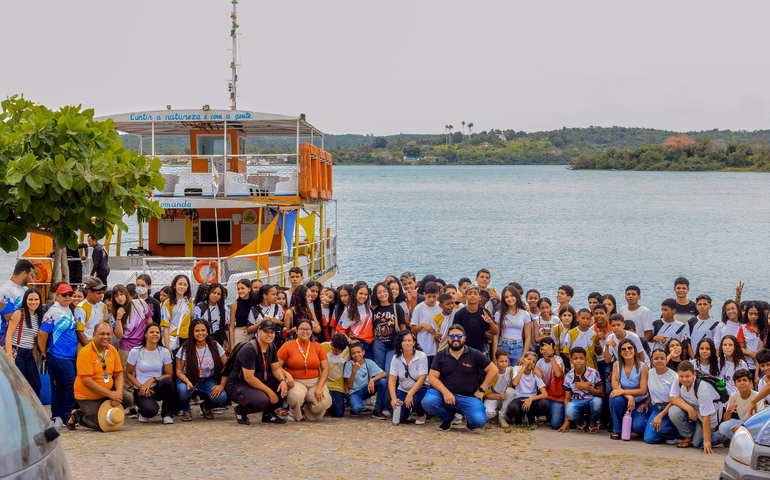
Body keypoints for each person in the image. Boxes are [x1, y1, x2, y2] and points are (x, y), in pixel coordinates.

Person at [422, 324, 498, 431]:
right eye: (452, 336)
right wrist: (446, 392)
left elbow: (493, 369)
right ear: (448, 338)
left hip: (469, 397)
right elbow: (432, 378)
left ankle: (469, 419)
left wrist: (482, 390)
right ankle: (448, 418)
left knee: (479, 421)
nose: (455, 339)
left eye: (459, 336)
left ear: (464, 337)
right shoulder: (440, 355)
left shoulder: (475, 354)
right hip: (445, 396)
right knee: (428, 402)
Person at [225, 320, 289, 425]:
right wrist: (269, 392)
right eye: (266, 332)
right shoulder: (249, 349)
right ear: (259, 332)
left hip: (257, 380)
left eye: (271, 332)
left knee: (282, 384)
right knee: (262, 401)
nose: (269, 335)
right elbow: (249, 378)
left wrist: (283, 380)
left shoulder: (271, 346)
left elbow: (276, 368)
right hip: (238, 385)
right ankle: (241, 410)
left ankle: (268, 414)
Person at [68, 322, 129, 430]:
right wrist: (111, 394)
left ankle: (103, 409)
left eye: (108, 334)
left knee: (128, 398)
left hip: (107, 393)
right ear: (93, 335)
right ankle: (77, 415)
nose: (106, 337)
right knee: (102, 425)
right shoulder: (85, 352)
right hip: (88, 397)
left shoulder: (113, 350)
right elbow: (86, 381)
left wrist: (118, 394)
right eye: (102, 334)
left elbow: (118, 374)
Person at [278, 318, 332, 421]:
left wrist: (320, 386)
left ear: (311, 331)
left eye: (308, 329)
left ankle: (307, 412)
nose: (305, 331)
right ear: (296, 330)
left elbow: (325, 369)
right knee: (296, 396)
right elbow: (276, 365)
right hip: (295, 381)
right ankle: (294, 413)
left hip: (314, 381)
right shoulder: (287, 346)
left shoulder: (318, 346)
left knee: (325, 402)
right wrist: (287, 375)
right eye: (302, 329)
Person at [38, 284, 78, 422]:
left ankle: (57, 415)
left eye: (70, 295)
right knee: (71, 383)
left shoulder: (68, 309)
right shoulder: (53, 311)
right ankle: (68, 415)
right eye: (64, 295)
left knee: (59, 385)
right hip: (58, 355)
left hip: (70, 355)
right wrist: (43, 352)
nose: (68, 297)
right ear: (57, 296)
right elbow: (43, 333)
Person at [175, 319, 229, 421]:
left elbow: (227, 366)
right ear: (192, 332)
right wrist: (187, 381)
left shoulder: (215, 346)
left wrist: (221, 385)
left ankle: (206, 407)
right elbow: (179, 371)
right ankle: (186, 410)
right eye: (197, 331)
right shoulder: (185, 348)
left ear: (207, 331)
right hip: (189, 380)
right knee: (182, 390)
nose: (200, 333)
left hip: (208, 380)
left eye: (203, 330)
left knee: (221, 397)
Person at [669, 361, 727, 453]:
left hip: (709, 416)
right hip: (695, 410)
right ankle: (689, 436)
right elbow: (673, 398)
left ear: (694, 374)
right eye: (681, 376)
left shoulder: (703, 388)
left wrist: (707, 442)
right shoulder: (678, 380)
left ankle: (725, 434)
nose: (684, 379)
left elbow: (706, 416)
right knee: (673, 411)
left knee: (698, 443)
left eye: (687, 376)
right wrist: (689, 409)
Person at [125, 323, 175, 424]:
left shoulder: (164, 351)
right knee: (151, 411)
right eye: (151, 332)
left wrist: (152, 379)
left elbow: (170, 374)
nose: (155, 334)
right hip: (142, 390)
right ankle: (142, 411)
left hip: (158, 387)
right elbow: (129, 373)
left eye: (157, 332)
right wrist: (140, 386)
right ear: (145, 334)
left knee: (168, 382)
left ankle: (167, 414)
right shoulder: (136, 351)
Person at [112, 284, 152, 413]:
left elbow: (149, 322)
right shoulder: (116, 311)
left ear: (127, 294)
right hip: (125, 347)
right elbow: (118, 335)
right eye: (116, 296)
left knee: (142, 373)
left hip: (141, 345)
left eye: (122, 294)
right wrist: (118, 317)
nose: (120, 298)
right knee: (126, 377)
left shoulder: (140, 304)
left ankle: (144, 401)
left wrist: (150, 341)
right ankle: (130, 405)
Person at [4, 288, 43, 397]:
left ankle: (29, 410)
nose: (33, 302)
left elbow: (34, 340)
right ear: (25, 300)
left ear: (40, 301)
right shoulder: (19, 313)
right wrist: (10, 356)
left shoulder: (38, 316)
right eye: (30, 299)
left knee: (36, 385)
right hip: (17, 352)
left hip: (29, 353)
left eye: (36, 299)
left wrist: (35, 357)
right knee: (20, 385)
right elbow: (9, 334)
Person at [609, 337, 649, 440]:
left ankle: (634, 425)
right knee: (614, 398)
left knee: (638, 427)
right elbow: (615, 387)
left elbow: (643, 390)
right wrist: (629, 396)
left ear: (635, 350)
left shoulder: (643, 367)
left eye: (630, 348)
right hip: (624, 399)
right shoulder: (616, 365)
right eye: (623, 349)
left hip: (640, 401)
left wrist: (623, 392)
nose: (627, 351)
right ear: (620, 352)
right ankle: (617, 430)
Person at [388, 329, 429, 425]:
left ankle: (422, 414)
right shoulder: (396, 357)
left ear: (414, 343)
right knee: (400, 419)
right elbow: (392, 380)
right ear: (400, 343)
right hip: (403, 388)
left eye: (409, 341)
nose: (407, 343)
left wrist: (410, 394)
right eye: (404, 341)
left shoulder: (421, 356)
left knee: (416, 399)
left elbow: (422, 377)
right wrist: (393, 398)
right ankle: (407, 411)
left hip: (420, 388)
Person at [560, 346, 604, 433]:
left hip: (591, 400)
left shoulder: (593, 373)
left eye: (581, 358)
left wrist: (587, 387)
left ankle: (593, 423)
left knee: (598, 402)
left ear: (586, 360)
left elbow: (601, 393)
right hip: (577, 401)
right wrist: (566, 421)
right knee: (570, 410)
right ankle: (580, 422)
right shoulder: (569, 376)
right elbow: (567, 399)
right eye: (575, 359)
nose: (579, 361)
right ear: (571, 361)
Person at [643, 348, 680, 444]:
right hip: (656, 408)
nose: (659, 361)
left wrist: (661, 415)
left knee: (662, 428)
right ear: (651, 360)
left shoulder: (674, 376)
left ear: (666, 359)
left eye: (662, 358)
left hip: (669, 409)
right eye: (656, 358)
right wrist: (646, 403)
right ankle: (661, 435)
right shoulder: (650, 373)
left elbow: (674, 399)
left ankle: (674, 434)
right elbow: (652, 392)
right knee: (649, 439)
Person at [344, 341, 388, 418]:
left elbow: (384, 374)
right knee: (357, 409)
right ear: (351, 355)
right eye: (353, 353)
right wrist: (354, 370)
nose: (356, 355)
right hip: (354, 392)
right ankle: (353, 404)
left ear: (363, 352)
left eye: (358, 352)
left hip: (366, 389)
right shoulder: (349, 365)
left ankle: (377, 410)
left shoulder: (369, 362)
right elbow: (349, 386)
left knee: (383, 382)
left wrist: (372, 380)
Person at [370, 282, 406, 375]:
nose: (382, 294)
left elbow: (403, 327)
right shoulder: (373, 309)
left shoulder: (396, 307)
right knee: (379, 371)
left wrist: (403, 342)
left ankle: (389, 389)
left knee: (389, 370)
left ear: (389, 292)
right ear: (376, 295)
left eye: (385, 291)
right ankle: (382, 389)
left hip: (393, 343)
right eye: (379, 292)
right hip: (378, 343)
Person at [718, 369, 765, 439]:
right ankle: (741, 440)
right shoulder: (733, 396)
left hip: (755, 424)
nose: (742, 383)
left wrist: (743, 426)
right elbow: (726, 419)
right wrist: (729, 410)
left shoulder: (757, 396)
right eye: (738, 381)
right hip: (742, 422)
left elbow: (761, 420)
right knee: (723, 427)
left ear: (750, 382)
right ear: (735, 384)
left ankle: (747, 440)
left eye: (744, 380)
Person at [505, 352, 548, 427]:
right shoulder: (517, 369)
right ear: (523, 360)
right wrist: (523, 366)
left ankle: (531, 418)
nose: (531, 362)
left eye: (534, 362)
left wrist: (531, 398)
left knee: (544, 404)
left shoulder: (535, 373)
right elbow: (515, 383)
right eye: (529, 359)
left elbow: (545, 394)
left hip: (532, 398)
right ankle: (518, 420)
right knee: (513, 407)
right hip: (519, 398)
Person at [452, 284, 498, 353]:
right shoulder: (459, 314)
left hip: (482, 350)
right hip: (464, 350)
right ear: (465, 297)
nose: (472, 295)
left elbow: (496, 332)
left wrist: (490, 322)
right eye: (469, 293)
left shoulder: (484, 312)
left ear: (479, 297)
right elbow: (454, 333)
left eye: (475, 293)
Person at [492, 286, 531, 365]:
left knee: (517, 374)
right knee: (503, 374)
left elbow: (528, 337)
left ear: (517, 296)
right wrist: (494, 355)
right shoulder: (499, 314)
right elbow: (496, 335)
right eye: (506, 297)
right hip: (503, 346)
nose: (509, 299)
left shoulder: (525, 314)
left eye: (512, 295)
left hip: (518, 347)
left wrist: (524, 356)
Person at [0, 259, 33, 346]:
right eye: (30, 275)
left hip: (24, 338)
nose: (31, 278)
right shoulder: (5, 290)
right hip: (9, 337)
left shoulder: (26, 290)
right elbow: (8, 316)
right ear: (24, 273)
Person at [536, 338, 566, 430]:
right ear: (540, 350)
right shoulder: (539, 362)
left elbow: (558, 374)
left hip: (556, 397)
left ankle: (554, 415)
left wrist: (551, 355)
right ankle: (546, 414)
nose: (546, 352)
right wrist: (534, 369)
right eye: (543, 349)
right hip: (545, 395)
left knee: (556, 425)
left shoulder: (558, 359)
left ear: (553, 350)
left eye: (549, 349)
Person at [410, 281, 442, 363]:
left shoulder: (441, 307)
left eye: (434, 297)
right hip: (423, 347)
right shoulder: (419, 308)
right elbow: (413, 329)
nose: (431, 299)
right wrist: (422, 325)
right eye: (429, 296)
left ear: (438, 294)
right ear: (424, 294)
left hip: (438, 347)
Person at [483, 350, 515, 427]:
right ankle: (496, 415)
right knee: (487, 413)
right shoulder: (490, 372)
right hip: (494, 396)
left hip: (505, 396)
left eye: (506, 361)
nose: (504, 364)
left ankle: (502, 416)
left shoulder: (511, 370)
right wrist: (498, 397)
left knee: (511, 391)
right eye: (501, 361)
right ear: (496, 361)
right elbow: (486, 394)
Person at [161, 274, 192, 353]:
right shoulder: (167, 303)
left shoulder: (190, 302)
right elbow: (165, 326)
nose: (182, 287)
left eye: (185, 285)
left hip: (187, 338)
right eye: (180, 284)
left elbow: (192, 319)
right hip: (173, 339)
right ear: (174, 285)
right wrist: (167, 346)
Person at [322, 333, 350, 418]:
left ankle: (329, 404)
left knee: (338, 413)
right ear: (331, 344)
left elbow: (347, 368)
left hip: (337, 384)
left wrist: (346, 384)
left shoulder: (348, 351)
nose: (338, 353)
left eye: (340, 351)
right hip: (323, 382)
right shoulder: (322, 347)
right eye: (336, 350)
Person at [194, 282, 230, 348]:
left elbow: (225, 326)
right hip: (203, 339)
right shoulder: (200, 307)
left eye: (218, 294)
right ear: (209, 293)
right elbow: (196, 325)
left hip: (218, 340)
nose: (216, 295)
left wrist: (224, 341)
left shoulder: (222, 309)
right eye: (213, 293)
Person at [74, 277, 108, 345]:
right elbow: (80, 332)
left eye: (102, 293)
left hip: (100, 345)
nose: (101, 296)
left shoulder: (103, 306)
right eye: (98, 293)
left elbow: (106, 323)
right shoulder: (80, 307)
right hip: (85, 346)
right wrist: (89, 348)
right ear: (89, 292)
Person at [737, 301, 766, 378]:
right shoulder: (743, 328)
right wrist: (750, 353)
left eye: (756, 314)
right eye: (750, 314)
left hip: (764, 364)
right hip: (749, 364)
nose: (753, 316)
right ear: (747, 314)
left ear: (760, 315)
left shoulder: (765, 328)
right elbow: (740, 348)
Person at [686, 295, 720, 359]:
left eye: (705, 304)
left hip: (710, 359)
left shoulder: (716, 324)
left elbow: (717, 344)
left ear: (710, 306)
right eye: (700, 304)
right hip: (694, 359)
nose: (702, 306)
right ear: (696, 307)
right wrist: (693, 359)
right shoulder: (691, 322)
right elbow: (688, 343)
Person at [230, 279, 254, 347]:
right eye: (238, 289)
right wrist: (232, 345)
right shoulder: (234, 305)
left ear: (249, 289)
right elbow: (231, 327)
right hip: (239, 334)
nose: (240, 291)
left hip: (252, 334)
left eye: (242, 288)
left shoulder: (254, 303)